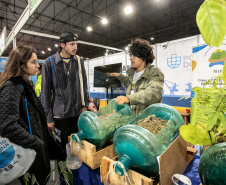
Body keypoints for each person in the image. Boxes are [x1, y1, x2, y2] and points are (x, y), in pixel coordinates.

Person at [0, 45, 62, 184]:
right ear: (21, 64)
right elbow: (7, 125)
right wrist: (35, 142)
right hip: (26, 154)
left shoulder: (24, 84)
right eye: (33, 62)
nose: (37, 66)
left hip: (33, 150)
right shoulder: (12, 87)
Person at [41, 32, 89, 157]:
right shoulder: (49, 63)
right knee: (62, 150)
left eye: (76, 44)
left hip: (77, 115)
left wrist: (85, 106)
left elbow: (84, 85)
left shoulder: (79, 61)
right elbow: (45, 93)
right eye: (72, 44)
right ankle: (63, 176)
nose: (75, 47)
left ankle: (76, 174)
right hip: (59, 117)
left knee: (78, 147)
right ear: (62, 45)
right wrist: (49, 118)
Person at [110, 38, 164, 116]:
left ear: (143, 56)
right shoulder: (132, 74)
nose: (130, 58)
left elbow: (153, 93)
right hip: (131, 119)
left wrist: (129, 98)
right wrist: (120, 76)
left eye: (134, 55)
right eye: (131, 55)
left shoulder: (154, 73)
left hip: (146, 121)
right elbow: (129, 84)